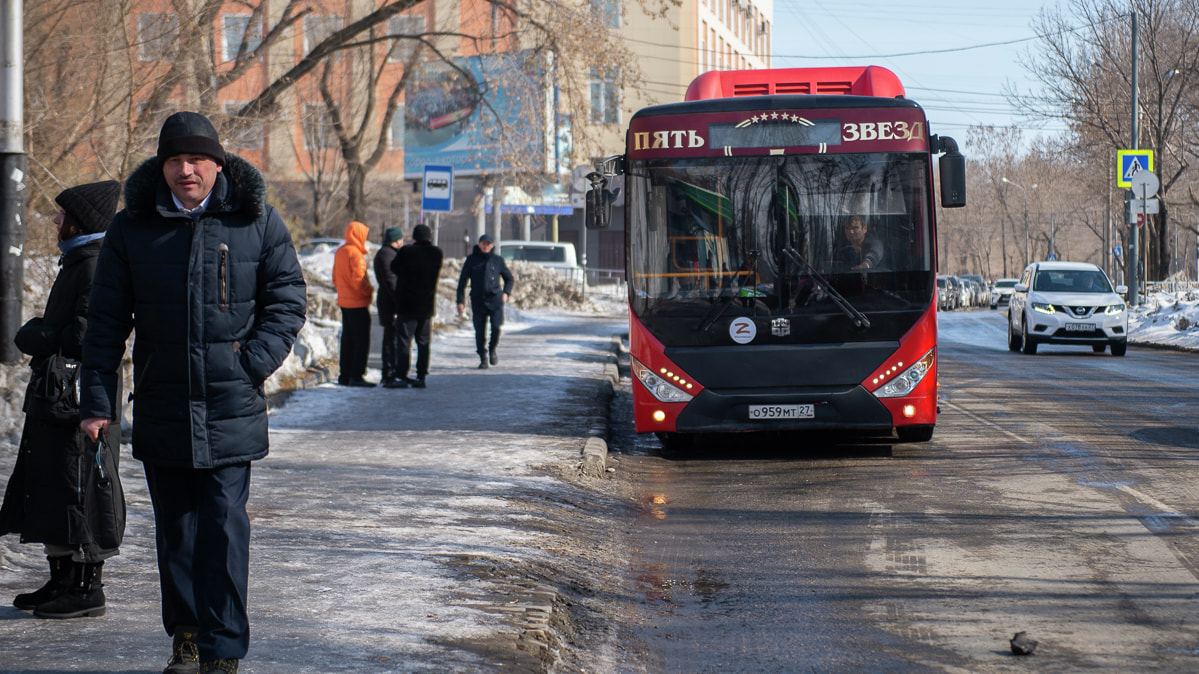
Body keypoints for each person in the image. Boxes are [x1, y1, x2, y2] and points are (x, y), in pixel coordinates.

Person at [78, 111, 307, 674]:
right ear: (163, 166)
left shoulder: (256, 221)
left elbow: (288, 298)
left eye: (198, 160)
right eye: (176, 160)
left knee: (225, 529)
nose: (187, 170)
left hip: (231, 407)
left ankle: (223, 650)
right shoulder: (133, 227)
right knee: (176, 533)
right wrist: (96, 403)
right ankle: (186, 636)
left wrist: (251, 362)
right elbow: (105, 321)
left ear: (217, 164)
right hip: (164, 404)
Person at [0, 180, 122, 620]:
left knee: (79, 486)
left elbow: (88, 335)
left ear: (80, 221)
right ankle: (62, 580)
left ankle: (87, 589)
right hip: (60, 397)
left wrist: (37, 335)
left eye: (62, 214)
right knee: (52, 483)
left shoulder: (94, 265)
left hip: (79, 399)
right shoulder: (78, 261)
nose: (55, 219)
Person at [389, 224, 443, 388]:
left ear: (414, 237)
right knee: (423, 342)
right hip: (425, 306)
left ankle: (401, 375)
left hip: (406, 305)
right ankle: (421, 376)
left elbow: (394, 268)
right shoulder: (436, 253)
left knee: (404, 341)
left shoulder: (406, 252)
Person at [456, 234, 514, 369]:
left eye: (488, 244)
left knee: (496, 327)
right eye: (483, 243)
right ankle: (483, 356)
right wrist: (460, 301)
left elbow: (509, 278)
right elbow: (462, 282)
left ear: (492, 245)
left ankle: (492, 349)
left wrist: (506, 293)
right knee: (479, 330)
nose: (486, 246)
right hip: (478, 300)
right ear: (479, 244)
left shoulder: (498, 260)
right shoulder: (471, 260)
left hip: (495, 299)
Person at [332, 220, 375, 387]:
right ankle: (357, 376)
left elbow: (335, 278)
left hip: (344, 301)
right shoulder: (355, 254)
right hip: (358, 303)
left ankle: (344, 375)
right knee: (361, 341)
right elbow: (359, 280)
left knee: (347, 340)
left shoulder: (340, 251)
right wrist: (369, 291)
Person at [373, 227, 403, 385]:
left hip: (389, 301)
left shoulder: (387, 253)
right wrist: (399, 304)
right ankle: (389, 374)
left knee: (392, 339)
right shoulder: (387, 255)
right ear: (396, 240)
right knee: (391, 340)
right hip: (390, 303)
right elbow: (391, 282)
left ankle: (392, 372)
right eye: (401, 239)